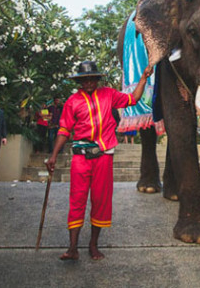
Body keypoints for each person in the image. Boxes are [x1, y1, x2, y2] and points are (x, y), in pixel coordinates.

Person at [45, 61, 152, 261]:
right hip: (80, 157)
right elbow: (64, 130)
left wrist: (144, 78)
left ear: (97, 79)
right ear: (80, 81)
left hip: (103, 156)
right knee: (77, 200)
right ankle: (72, 248)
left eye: (92, 78)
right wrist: (53, 155)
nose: (89, 83)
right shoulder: (72, 102)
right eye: (84, 80)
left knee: (101, 201)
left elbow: (133, 98)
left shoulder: (109, 94)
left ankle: (93, 245)